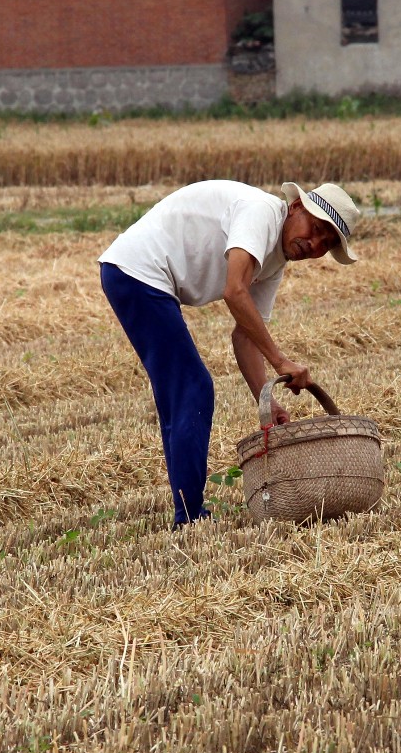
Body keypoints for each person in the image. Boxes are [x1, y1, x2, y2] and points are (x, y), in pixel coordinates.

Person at [99, 179, 361, 526]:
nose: (313, 245)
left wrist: (266, 401)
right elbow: (234, 291)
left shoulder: (274, 261)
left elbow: (245, 336)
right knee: (193, 388)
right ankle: (190, 517)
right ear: (296, 207)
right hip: (137, 271)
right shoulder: (261, 213)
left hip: (139, 276)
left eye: (325, 244)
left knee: (181, 392)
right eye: (315, 229)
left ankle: (187, 510)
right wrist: (280, 361)